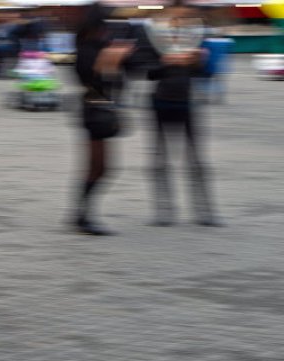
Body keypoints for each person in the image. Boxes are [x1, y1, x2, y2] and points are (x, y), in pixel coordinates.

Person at [147, 1, 221, 227]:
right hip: (161, 102)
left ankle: (204, 212)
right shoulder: (155, 37)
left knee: (196, 159)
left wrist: (200, 61)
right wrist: (166, 62)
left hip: (187, 102)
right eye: (176, 15)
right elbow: (147, 72)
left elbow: (207, 73)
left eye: (184, 16)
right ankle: (164, 211)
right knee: (161, 159)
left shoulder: (196, 38)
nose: (179, 20)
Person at [72, 3, 133, 236]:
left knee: (99, 167)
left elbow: (120, 78)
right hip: (93, 111)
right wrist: (113, 58)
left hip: (98, 110)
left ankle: (80, 215)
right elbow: (93, 76)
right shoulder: (87, 48)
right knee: (99, 167)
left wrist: (118, 57)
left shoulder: (97, 45)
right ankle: (82, 216)